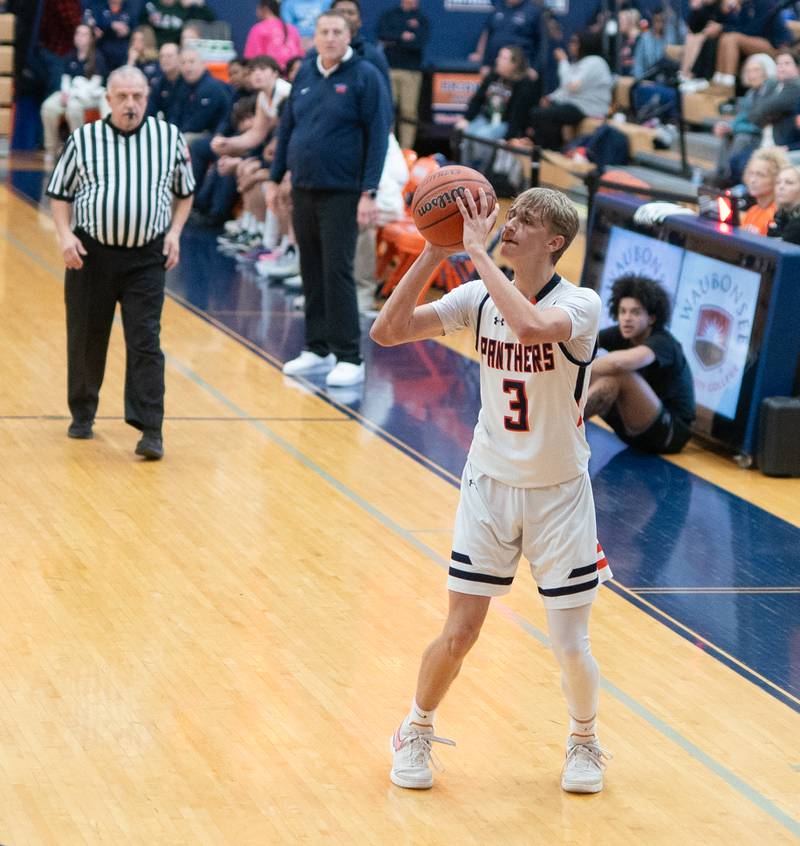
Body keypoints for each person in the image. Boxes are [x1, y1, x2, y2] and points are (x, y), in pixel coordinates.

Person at [371, 187, 612, 794]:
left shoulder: (581, 304)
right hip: (489, 484)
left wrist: (474, 252)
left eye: (526, 220)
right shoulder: (478, 297)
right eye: (513, 214)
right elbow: (388, 330)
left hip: (559, 492)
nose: (511, 224)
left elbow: (531, 327)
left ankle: (584, 742)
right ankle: (415, 728)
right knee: (460, 631)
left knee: (570, 643)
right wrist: (433, 250)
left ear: (554, 242)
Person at [45, 65, 195, 460]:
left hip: (147, 256)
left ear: (148, 97)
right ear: (107, 99)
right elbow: (60, 193)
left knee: (145, 340)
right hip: (92, 254)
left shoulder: (169, 138)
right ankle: (83, 412)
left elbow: (186, 192)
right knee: (86, 336)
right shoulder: (84, 139)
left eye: (138, 96)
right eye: (123, 97)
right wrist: (65, 235)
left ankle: (150, 429)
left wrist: (175, 232)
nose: (131, 104)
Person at [268, 10, 392, 388]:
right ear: (315, 36)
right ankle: (317, 348)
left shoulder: (365, 76)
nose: (331, 38)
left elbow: (378, 136)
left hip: (344, 191)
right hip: (304, 187)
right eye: (324, 32)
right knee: (311, 267)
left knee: (337, 270)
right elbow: (288, 128)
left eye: (338, 32)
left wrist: (368, 191)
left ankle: (349, 356)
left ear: (349, 35)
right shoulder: (304, 72)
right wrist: (275, 179)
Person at [585, 275, 695, 455]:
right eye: (623, 311)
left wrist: (579, 364)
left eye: (635, 312)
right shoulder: (619, 334)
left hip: (669, 434)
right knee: (597, 374)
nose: (627, 318)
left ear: (651, 318)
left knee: (618, 373)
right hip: (631, 428)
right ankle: (561, 425)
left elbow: (621, 362)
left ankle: (565, 426)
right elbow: (578, 346)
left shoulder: (664, 342)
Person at [455, 45, 539, 173]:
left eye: (503, 58)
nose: (497, 60)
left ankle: (482, 174)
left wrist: (508, 137)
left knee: (483, 137)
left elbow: (518, 115)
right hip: (486, 117)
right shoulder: (493, 76)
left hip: (504, 123)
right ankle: (465, 171)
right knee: (466, 133)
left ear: (514, 64)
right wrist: (466, 118)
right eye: (499, 56)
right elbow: (477, 99)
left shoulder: (523, 84)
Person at [525, 31, 612, 152]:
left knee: (541, 114)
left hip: (589, 108)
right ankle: (543, 149)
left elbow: (571, 86)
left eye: (574, 42)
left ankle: (551, 152)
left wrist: (563, 61)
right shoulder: (580, 62)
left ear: (585, 44)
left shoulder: (595, 61)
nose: (571, 45)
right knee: (537, 110)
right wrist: (551, 98)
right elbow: (565, 90)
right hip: (575, 104)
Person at [40, 23, 109, 163]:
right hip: (71, 93)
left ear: (91, 38)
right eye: (78, 33)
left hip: (89, 96)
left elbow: (95, 84)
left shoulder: (98, 57)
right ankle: (51, 148)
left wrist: (73, 94)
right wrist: (65, 93)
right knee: (48, 106)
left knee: (73, 108)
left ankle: (77, 149)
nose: (80, 37)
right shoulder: (70, 56)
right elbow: (65, 79)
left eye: (84, 34)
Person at [711, 53, 776, 187]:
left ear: (766, 71)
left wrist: (734, 128)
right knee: (727, 134)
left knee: (741, 137)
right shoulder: (751, 93)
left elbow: (760, 124)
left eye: (756, 70)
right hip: (749, 132)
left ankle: (730, 176)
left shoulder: (770, 91)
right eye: (749, 71)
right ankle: (721, 173)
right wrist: (726, 126)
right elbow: (741, 118)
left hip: (763, 136)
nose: (752, 75)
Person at [377, 0, 430, 150]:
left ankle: (407, 149)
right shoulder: (390, 15)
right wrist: (402, 36)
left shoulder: (421, 18)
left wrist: (395, 41)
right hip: (390, 69)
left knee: (409, 111)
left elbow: (419, 42)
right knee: (387, 110)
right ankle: (386, 147)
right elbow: (382, 34)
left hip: (411, 71)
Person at [170, 45, 232, 143]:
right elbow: (175, 114)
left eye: (191, 62)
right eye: (183, 63)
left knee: (182, 140)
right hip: (189, 132)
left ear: (203, 64)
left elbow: (199, 122)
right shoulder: (181, 87)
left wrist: (177, 134)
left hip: (215, 136)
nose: (187, 66)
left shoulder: (212, 87)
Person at [468, 0, 541, 76]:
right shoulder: (499, 6)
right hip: (494, 64)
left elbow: (540, 43)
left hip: (520, 68)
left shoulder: (533, 11)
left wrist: (535, 68)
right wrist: (481, 57)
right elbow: (487, 33)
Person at [739, 147, 788, 234]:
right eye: (751, 173)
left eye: (760, 175)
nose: (752, 180)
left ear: (777, 179)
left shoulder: (780, 216)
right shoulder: (752, 211)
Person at [244, 0, 304, 70]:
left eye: (258, 9)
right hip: (292, 73)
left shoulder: (258, 29)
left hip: (270, 75)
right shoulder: (292, 28)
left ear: (265, 9)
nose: (256, 12)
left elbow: (252, 59)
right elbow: (300, 55)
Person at [84, 0, 133, 71]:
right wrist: (111, 25)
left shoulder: (129, 8)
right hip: (102, 50)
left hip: (123, 50)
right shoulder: (99, 6)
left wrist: (127, 31)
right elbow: (95, 25)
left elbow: (134, 27)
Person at [767, 164, 800, 243]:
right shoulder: (779, 216)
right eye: (778, 182)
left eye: (789, 183)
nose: (781, 186)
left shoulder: (797, 224)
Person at [148, 40, 181, 118]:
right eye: (161, 56)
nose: (164, 59)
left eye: (169, 56)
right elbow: (150, 111)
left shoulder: (188, 81)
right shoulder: (158, 84)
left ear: (180, 57)